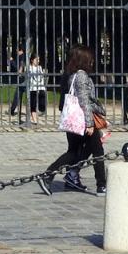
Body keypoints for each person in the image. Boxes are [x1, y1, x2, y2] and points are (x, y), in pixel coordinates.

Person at [40, 45, 107, 195]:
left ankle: (63, 175)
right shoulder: (82, 76)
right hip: (83, 121)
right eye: (90, 58)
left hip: (74, 120)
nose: (92, 61)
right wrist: (90, 124)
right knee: (98, 151)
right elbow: (84, 101)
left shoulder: (71, 75)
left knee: (74, 152)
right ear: (84, 59)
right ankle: (101, 185)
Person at [25, 54, 47, 121]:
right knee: (33, 105)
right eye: (36, 59)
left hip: (41, 88)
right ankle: (35, 120)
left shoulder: (40, 68)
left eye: (39, 59)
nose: (38, 61)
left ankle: (41, 110)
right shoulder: (28, 68)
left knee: (42, 104)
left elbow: (42, 77)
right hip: (33, 88)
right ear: (32, 60)